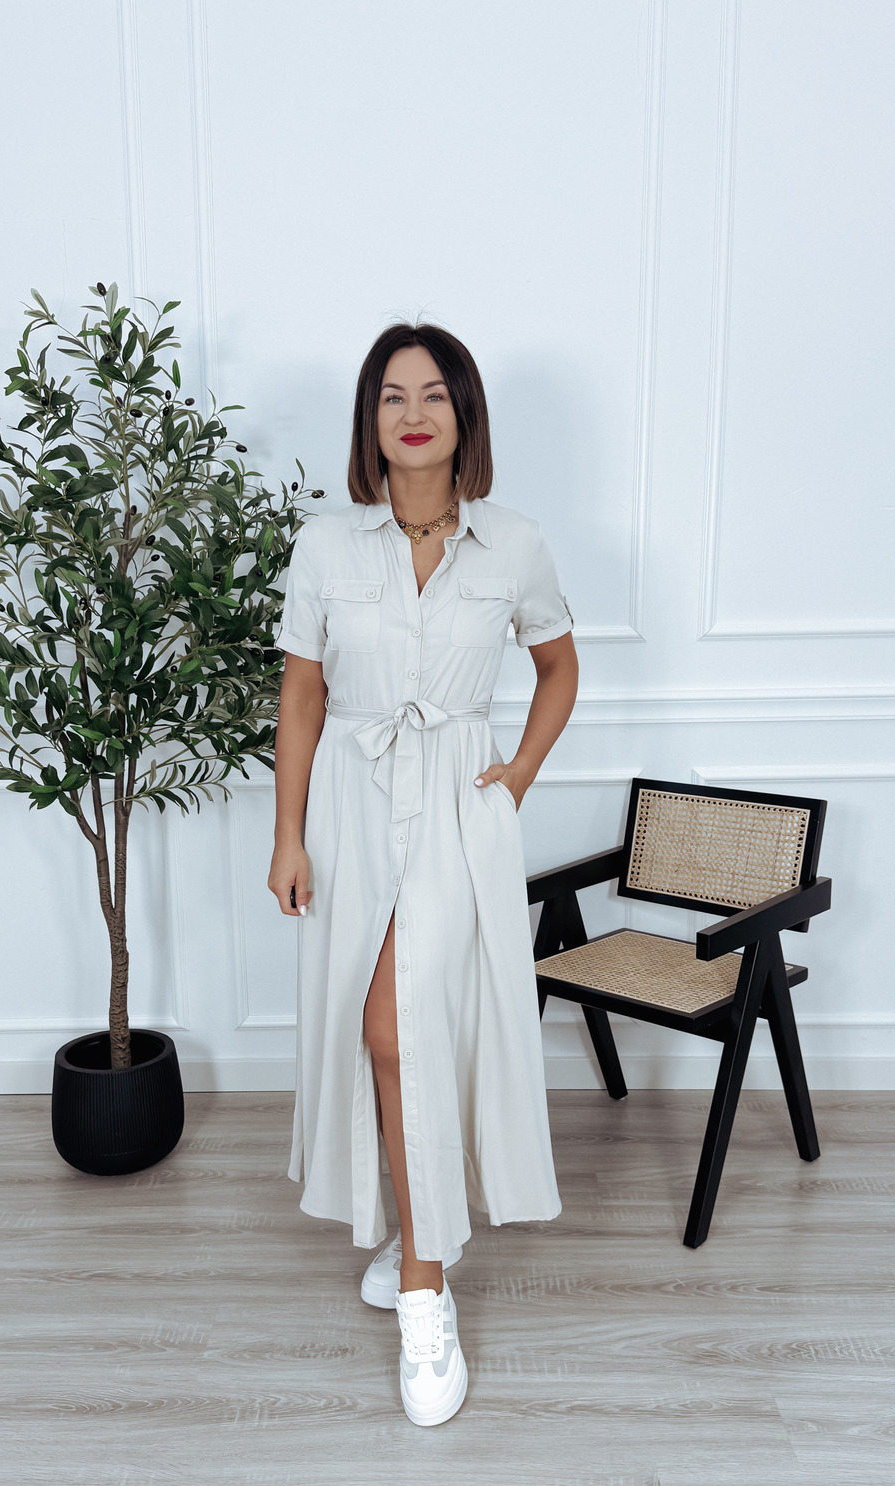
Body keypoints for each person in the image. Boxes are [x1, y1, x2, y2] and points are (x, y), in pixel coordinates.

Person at [268, 322, 578, 1427]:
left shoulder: (515, 545)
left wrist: (517, 776)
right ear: (371, 420)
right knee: (382, 1027)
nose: (413, 412)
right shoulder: (325, 548)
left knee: (404, 1027)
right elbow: (301, 697)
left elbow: (558, 665)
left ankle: (422, 1290)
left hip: (457, 803)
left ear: (464, 416)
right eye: (392, 395)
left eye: (434, 394)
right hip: (352, 803)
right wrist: (288, 835)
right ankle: (417, 1217)